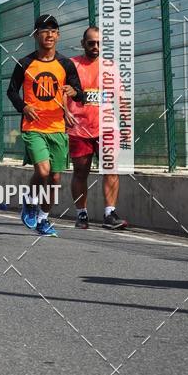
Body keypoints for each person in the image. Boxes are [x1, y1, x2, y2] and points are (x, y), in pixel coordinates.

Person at [7, 14, 84, 236]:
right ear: (36, 35)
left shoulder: (66, 64)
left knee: (55, 179)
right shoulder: (25, 63)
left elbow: (80, 94)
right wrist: (24, 107)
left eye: (53, 30)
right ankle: (30, 201)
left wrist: (74, 92)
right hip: (33, 127)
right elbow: (11, 91)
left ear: (58, 36)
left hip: (58, 128)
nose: (49, 34)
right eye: (44, 30)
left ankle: (43, 219)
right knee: (43, 171)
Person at [65, 26, 128, 230]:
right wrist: (65, 113)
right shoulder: (71, 65)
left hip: (107, 127)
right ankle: (81, 214)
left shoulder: (111, 66)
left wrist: (126, 122)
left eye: (99, 43)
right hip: (79, 128)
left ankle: (110, 214)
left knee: (111, 169)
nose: (95, 46)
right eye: (91, 42)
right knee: (81, 172)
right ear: (83, 43)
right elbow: (61, 94)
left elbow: (120, 97)